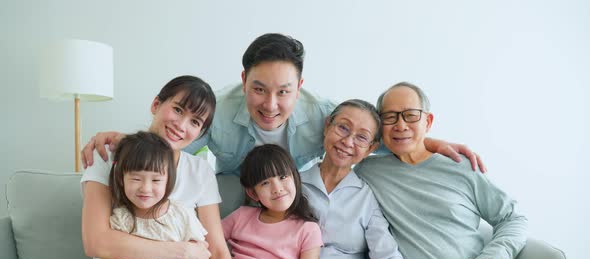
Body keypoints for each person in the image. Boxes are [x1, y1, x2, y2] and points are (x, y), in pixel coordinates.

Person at [197, 100, 444, 259]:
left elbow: (386, 255)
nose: (348, 141)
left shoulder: (367, 198)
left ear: (372, 148)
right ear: (327, 126)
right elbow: (240, 240)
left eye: (361, 137)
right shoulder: (286, 185)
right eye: (343, 128)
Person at [82, 33, 486, 175]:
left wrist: (430, 143)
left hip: (287, 191)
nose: (271, 104)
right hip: (233, 185)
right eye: (259, 89)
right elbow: (171, 134)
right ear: (243, 81)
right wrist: (123, 138)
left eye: (284, 92)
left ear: (300, 86)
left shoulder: (325, 113)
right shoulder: (217, 107)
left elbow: (371, 138)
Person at [54, 75, 263, 259]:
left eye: (195, 122)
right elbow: (97, 242)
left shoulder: (199, 171)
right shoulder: (108, 156)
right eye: (177, 109)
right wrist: (183, 250)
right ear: (156, 104)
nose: (181, 125)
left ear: (200, 132)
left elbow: (217, 250)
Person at [354, 82, 558, 259]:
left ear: (427, 122)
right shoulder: (367, 172)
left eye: (410, 115)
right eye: (390, 117)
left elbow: (513, 218)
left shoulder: (461, 167)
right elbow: (341, 134)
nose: (400, 124)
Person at [53, 131, 205, 259]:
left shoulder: (182, 215)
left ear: (169, 180)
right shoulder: (120, 218)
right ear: (121, 177)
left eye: (156, 180)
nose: (146, 188)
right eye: (136, 179)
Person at [199, 144, 334, 259]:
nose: (277, 188)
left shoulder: (308, 230)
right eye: (265, 183)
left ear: (294, 177)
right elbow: (206, 244)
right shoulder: (241, 216)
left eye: (282, 177)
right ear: (253, 193)